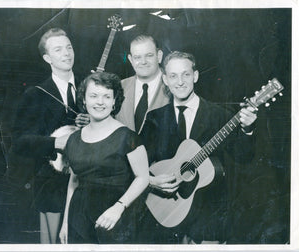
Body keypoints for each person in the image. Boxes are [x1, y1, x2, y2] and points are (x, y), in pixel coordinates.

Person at [139, 51, 258, 244]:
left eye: (185, 74)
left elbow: (244, 157)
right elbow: (135, 164)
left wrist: (248, 129)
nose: (180, 82)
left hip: (208, 220)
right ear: (165, 80)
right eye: (173, 76)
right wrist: (151, 181)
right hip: (164, 214)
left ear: (195, 76)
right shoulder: (154, 118)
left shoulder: (219, 115)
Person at [9, 28, 88, 243]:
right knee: (53, 243)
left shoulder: (90, 86)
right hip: (52, 185)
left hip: (89, 180)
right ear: (47, 58)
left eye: (69, 47)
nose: (66, 53)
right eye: (58, 49)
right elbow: (19, 142)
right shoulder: (34, 94)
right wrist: (56, 142)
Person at [58, 72, 149, 244]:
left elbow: (143, 177)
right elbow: (74, 181)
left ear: (114, 101)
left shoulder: (128, 137)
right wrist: (65, 223)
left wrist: (119, 207)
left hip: (115, 218)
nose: (100, 102)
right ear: (84, 100)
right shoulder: (73, 139)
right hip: (79, 219)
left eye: (107, 96)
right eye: (93, 96)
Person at [115, 34, 170, 133]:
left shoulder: (174, 86)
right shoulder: (119, 87)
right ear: (131, 60)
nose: (143, 62)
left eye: (149, 55)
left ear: (159, 56)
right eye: (137, 57)